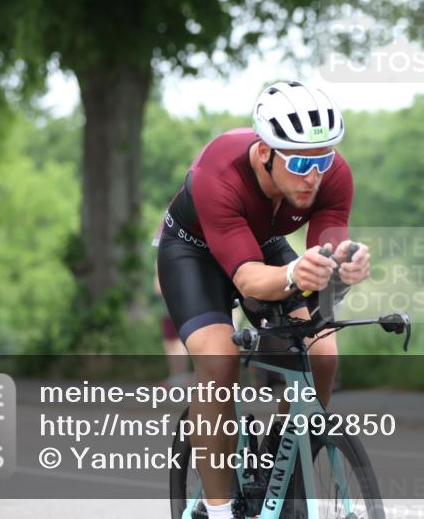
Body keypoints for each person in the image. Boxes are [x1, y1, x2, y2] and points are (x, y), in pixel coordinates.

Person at [154, 80, 371, 519]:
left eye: (323, 159)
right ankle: (218, 509)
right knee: (218, 361)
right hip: (192, 252)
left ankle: (281, 462)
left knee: (322, 352)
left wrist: (344, 271)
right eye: (298, 162)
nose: (313, 175)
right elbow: (251, 281)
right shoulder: (218, 172)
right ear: (264, 152)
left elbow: (325, 256)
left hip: (263, 245)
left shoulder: (332, 175)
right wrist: (295, 274)